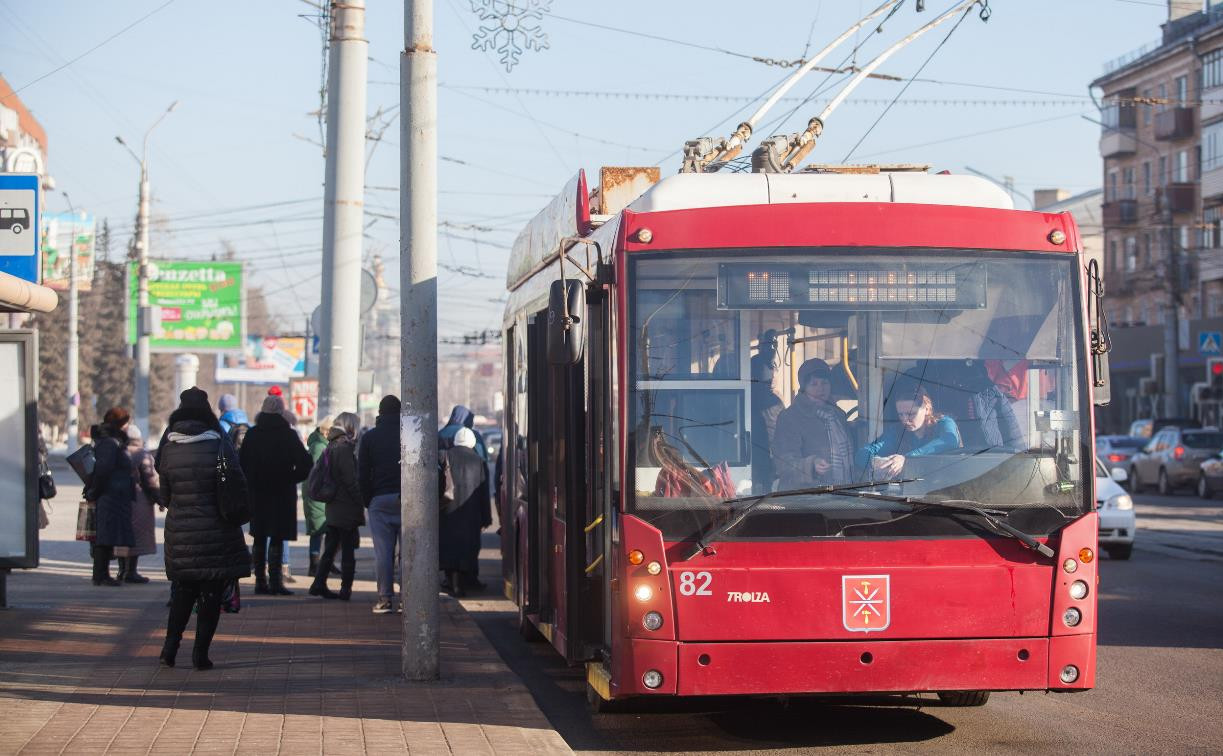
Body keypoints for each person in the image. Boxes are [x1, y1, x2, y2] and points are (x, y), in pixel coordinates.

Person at [156, 387, 252, 670]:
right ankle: (200, 655)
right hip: (216, 531)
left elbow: (165, 496)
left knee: (183, 591)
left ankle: (169, 649)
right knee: (211, 595)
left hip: (181, 532)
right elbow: (236, 481)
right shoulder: (218, 443)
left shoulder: (170, 448)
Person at [239, 394, 312, 595]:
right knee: (278, 537)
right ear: (281, 411)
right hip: (281, 493)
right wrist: (290, 478)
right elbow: (306, 463)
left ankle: (260, 582)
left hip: (257, 493)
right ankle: (276, 582)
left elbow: (241, 464)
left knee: (259, 536)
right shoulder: (287, 435)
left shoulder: (252, 434)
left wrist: (250, 482)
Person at [857, 376, 962, 480]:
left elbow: (950, 440)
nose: (905, 420)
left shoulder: (944, 423)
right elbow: (861, 454)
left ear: (927, 409)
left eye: (911, 414)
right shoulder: (896, 431)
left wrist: (907, 458)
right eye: (901, 414)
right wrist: (874, 462)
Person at [774, 359, 855, 489]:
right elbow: (783, 463)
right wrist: (811, 464)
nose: (820, 389)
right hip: (803, 499)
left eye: (825, 383)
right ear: (804, 388)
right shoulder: (789, 417)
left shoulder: (838, 415)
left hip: (840, 494)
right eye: (814, 384)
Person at [308, 412, 364, 600]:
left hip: (333, 506)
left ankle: (318, 583)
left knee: (331, 547)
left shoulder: (331, 444)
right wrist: (360, 501)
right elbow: (350, 480)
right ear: (350, 426)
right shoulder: (344, 447)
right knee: (347, 550)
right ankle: (345, 589)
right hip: (345, 507)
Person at [360, 395, 402, 614]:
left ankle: (385, 599)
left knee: (383, 553)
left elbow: (363, 474)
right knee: (408, 553)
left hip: (380, 500)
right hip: (408, 500)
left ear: (380, 412)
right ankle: (408, 598)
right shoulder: (410, 434)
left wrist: (369, 500)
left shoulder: (370, 438)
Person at [85, 408, 136, 586]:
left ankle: (102, 574)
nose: (128, 426)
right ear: (120, 423)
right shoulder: (110, 442)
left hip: (113, 494)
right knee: (104, 536)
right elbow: (103, 469)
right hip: (109, 494)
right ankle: (100, 575)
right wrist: (95, 491)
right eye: (127, 422)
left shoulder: (112, 441)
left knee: (107, 535)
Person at [439, 427, 491, 598]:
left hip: (447, 511)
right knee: (466, 548)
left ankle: (450, 582)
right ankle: (460, 584)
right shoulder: (479, 461)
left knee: (448, 546)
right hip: (470, 513)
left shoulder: (445, 455)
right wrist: (486, 517)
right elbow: (484, 493)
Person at [114, 424, 161, 583]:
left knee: (122, 535)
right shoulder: (142, 454)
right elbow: (151, 481)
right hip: (139, 500)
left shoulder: (117, 452)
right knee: (136, 536)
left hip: (119, 498)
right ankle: (131, 571)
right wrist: (160, 499)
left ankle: (121, 571)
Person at [749, 351, 785, 493]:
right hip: (766, 463)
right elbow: (778, 436)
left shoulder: (741, 399)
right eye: (766, 382)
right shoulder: (771, 401)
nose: (770, 384)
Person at [303, 415, 335, 577]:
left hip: (320, 494)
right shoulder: (318, 447)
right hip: (316, 494)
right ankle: (314, 565)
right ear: (326, 431)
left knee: (327, 529)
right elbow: (317, 473)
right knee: (318, 530)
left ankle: (326, 562)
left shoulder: (323, 445)